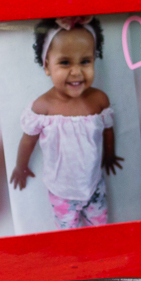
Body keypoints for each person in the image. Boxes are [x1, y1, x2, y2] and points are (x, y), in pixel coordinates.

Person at [10, 16, 123, 229]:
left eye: (85, 61)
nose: (76, 72)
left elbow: (108, 131)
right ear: (47, 66)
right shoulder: (42, 108)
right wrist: (20, 166)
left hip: (94, 185)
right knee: (68, 234)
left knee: (100, 228)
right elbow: (27, 141)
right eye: (65, 62)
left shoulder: (99, 101)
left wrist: (109, 155)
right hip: (60, 192)